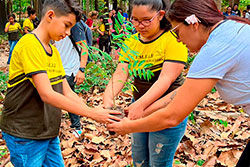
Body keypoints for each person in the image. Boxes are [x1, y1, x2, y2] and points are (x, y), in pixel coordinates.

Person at [108, 0, 250, 166]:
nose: (178, 40)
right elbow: (184, 92)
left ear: (193, 24)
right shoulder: (231, 30)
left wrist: (128, 127)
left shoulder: (215, 49)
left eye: (177, 32)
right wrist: (141, 110)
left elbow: (172, 116)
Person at [0, 0, 120, 166]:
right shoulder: (30, 44)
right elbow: (47, 94)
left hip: (48, 131)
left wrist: (92, 111)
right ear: (50, 16)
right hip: (25, 134)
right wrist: (92, 114)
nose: (69, 33)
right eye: (67, 25)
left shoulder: (53, 51)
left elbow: (67, 91)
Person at [103, 0, 188, 166]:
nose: (140, 25)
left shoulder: (173, 40)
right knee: (139, 159)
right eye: (135, 20)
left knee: (159, 161)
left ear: (160, 15)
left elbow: (166, 78)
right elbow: (121, 72)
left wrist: (140, 107)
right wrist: (107, 100)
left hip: (166, 108)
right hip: (138, 105)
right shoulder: (132, 42)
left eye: (146, 20)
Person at [55, 18, 92, 137]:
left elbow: (84, 47)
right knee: (64, 97)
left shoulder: (74, 25)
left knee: (67, 97)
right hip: (60, 67)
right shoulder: (59, 23)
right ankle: (75, 126)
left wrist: (81, 69)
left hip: (69, 68)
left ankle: (77, 127)